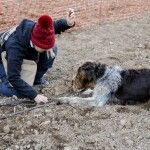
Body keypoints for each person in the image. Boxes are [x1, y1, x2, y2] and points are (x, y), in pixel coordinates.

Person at [0, 9, 75, 104]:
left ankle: (36, 79)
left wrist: (68, 23)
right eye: (44, 47)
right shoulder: (15, 47)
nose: (47, 49)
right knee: (18, 91)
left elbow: (54, 25)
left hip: (21, 55)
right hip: (3, 59)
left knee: (53, 50)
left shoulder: (38, 29)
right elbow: (14, 77)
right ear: (35, 42)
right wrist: (34, 95)